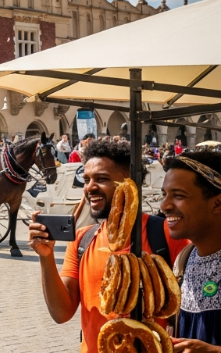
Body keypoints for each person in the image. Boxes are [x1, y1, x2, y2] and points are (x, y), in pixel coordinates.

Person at [28, 139, 190, 353]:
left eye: (101, 179)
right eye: (86, 180)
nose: (90, 188)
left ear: (129, 184)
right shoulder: (82, 240)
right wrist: (45, 256)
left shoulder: (167, 235)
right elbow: (61, 313)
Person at [160, 152, 221, 350]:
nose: (164, 206)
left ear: (217, 203)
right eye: (164, 195)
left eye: (178, 196)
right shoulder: (183, 260)